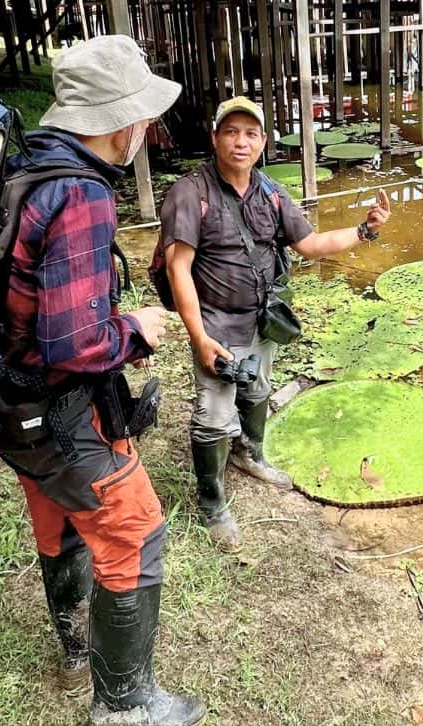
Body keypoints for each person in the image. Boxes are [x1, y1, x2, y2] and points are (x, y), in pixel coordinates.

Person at [0, 35, 205, 726]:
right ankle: (124, 701)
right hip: (65, 410)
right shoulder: (80, 193)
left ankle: (77, 650)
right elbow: (74, 344)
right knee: (136, 532)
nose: (147, 129)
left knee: (60, 522)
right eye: (142, 116)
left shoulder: (23, 170)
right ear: (119, 121)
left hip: (9, 404)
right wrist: (137, 329)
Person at [160, 96, 392, 552]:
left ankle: (250, 453)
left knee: (258, 390)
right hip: (216, 323)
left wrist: (366, 230)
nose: (240, 141)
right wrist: (200, 337)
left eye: (250, 133)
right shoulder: (191, 193)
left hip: (262, 319)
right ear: (215, 139)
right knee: (212, 415)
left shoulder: (270, 191)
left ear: (263, 141)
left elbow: (310, 244)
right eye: (231, 132)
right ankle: (212, 502)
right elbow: (178, 269)